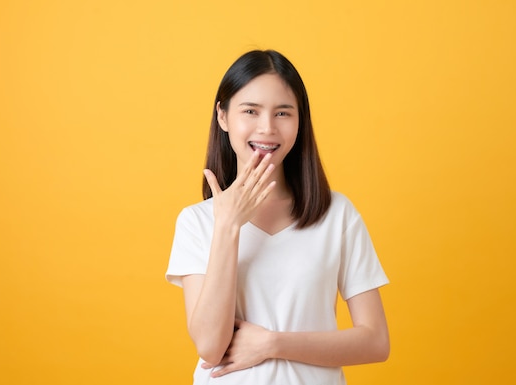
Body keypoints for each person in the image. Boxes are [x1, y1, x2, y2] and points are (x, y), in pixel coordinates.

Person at [165, 49, 390, 385]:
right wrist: (227, 225)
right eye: (250, 111)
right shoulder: (196, 222)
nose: (267, 128)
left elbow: (375, 342)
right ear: (223, 117)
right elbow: (211, 347)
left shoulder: (337, 214)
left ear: (300, 121)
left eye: (283, 113)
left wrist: (273, 344)